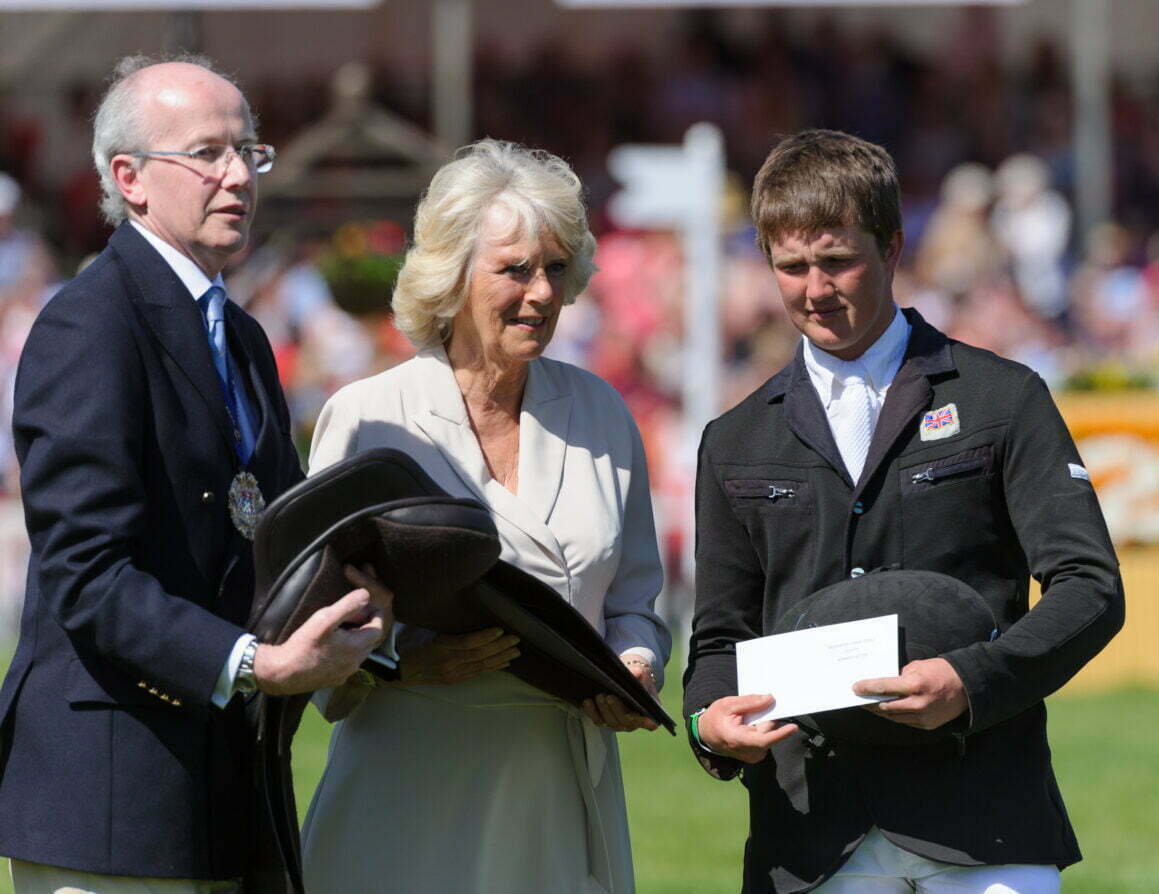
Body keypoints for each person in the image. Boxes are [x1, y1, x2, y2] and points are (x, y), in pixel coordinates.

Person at [683, 129, 1124, 894]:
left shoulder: (1003, 397)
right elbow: (721, 635)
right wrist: (708, 724)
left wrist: (972, 679)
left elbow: (1091, 587)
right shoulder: (733, 440)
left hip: (985, 817)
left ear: (891, 247)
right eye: (791, 267)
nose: (815, 289)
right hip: (812, 833)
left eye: (836, 260)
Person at [0, 54, 392, 893]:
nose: (238, 175)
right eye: (208, 153)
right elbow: (87, 573)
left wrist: (373, 623)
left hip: (228, 795)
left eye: (248, 151)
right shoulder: (90, 323)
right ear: (128, 179)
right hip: (111, 802)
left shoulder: (240, 336)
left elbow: (280, 536)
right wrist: (254, 662)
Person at [300, 138, 672, 893]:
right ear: (452, 275)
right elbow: (310, 617)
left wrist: (636, 665)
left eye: (557, 270)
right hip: (409, 783)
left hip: (557, 786)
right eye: (514, 270)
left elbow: (637, 600)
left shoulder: (599, 411)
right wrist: (404, 663)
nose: (541, 293)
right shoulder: (370, 416)